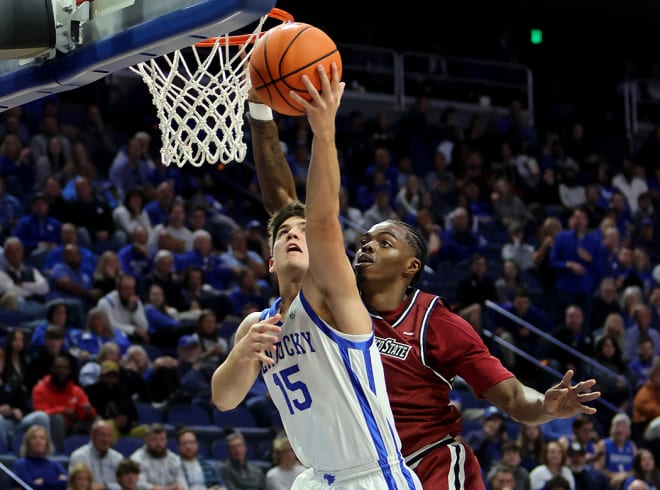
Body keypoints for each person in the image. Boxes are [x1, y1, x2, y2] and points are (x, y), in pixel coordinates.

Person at [248, 70, 602, 490]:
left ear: (411, 266)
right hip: (355, 470)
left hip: (429, 462)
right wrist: (259, 109)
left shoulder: (436, 322)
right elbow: (285, 209)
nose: (366, 246)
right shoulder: (337, 298)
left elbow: (509, 397)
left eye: (383, 242)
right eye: (364, 240)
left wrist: (546, 405)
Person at [212, 65, 422, 488]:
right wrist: (242, 354)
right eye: (284, 234)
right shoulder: (258, 325)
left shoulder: (331, 298)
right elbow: (223, 398)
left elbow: (322, 218)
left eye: (302, 233)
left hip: (372, 477)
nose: (294, 234)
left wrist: (323, 135)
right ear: (271, 260)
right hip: (316, 479)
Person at [68, 419, 124, 490]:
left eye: (108, 435)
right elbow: (74, 485)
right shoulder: (79, 457)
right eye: (102, 435)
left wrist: (105, 486)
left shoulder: (118, 458)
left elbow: (124, 485)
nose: (106, 439)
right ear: (92, 435)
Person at [130, 423, 187, 490]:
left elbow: (182, 482)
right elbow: (139, 485)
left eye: (162, 439)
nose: (158, 443)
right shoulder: (136, 459)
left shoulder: (174, 459)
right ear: (146, 439)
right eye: (154, 439)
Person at [13, 424, 68, 490]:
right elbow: (29, 487)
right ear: (28, 442)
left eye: (42, 438)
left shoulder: (55, 465)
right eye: (34, 438)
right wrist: (55, 481)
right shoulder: (21, 464)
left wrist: (43, 482)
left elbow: (66, 484)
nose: (38, 441)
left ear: (47, 443)